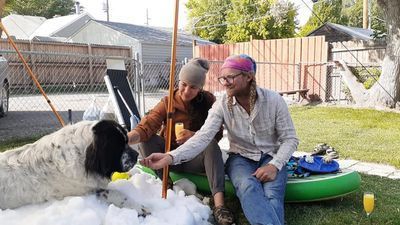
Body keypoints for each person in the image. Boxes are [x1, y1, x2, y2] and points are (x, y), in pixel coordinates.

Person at [140, 54, 299, 225]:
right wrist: (170, 157)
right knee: (247, 186)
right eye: (222, 78)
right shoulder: (222, 104)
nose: (225, 82)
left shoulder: (273, 100)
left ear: (248, 77)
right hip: (240, 158)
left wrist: (274, 165)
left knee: (272, 195)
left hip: (271, 156)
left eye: (230, 77)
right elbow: (203, 137)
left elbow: (290, 139)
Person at [127, 58, 234, 225]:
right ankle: (166, 182)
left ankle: (220, 206)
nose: (186, 90)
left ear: (200, 88)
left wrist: (194, 135)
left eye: (193, 87)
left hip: (194, 160)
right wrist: (125, 138)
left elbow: (218, 133)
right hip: (168, 158)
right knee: (146, 140)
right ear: (178, 82)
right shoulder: (168, 101)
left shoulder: (208, 101)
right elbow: (147, 125)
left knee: (211, 144)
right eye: (184, 84)